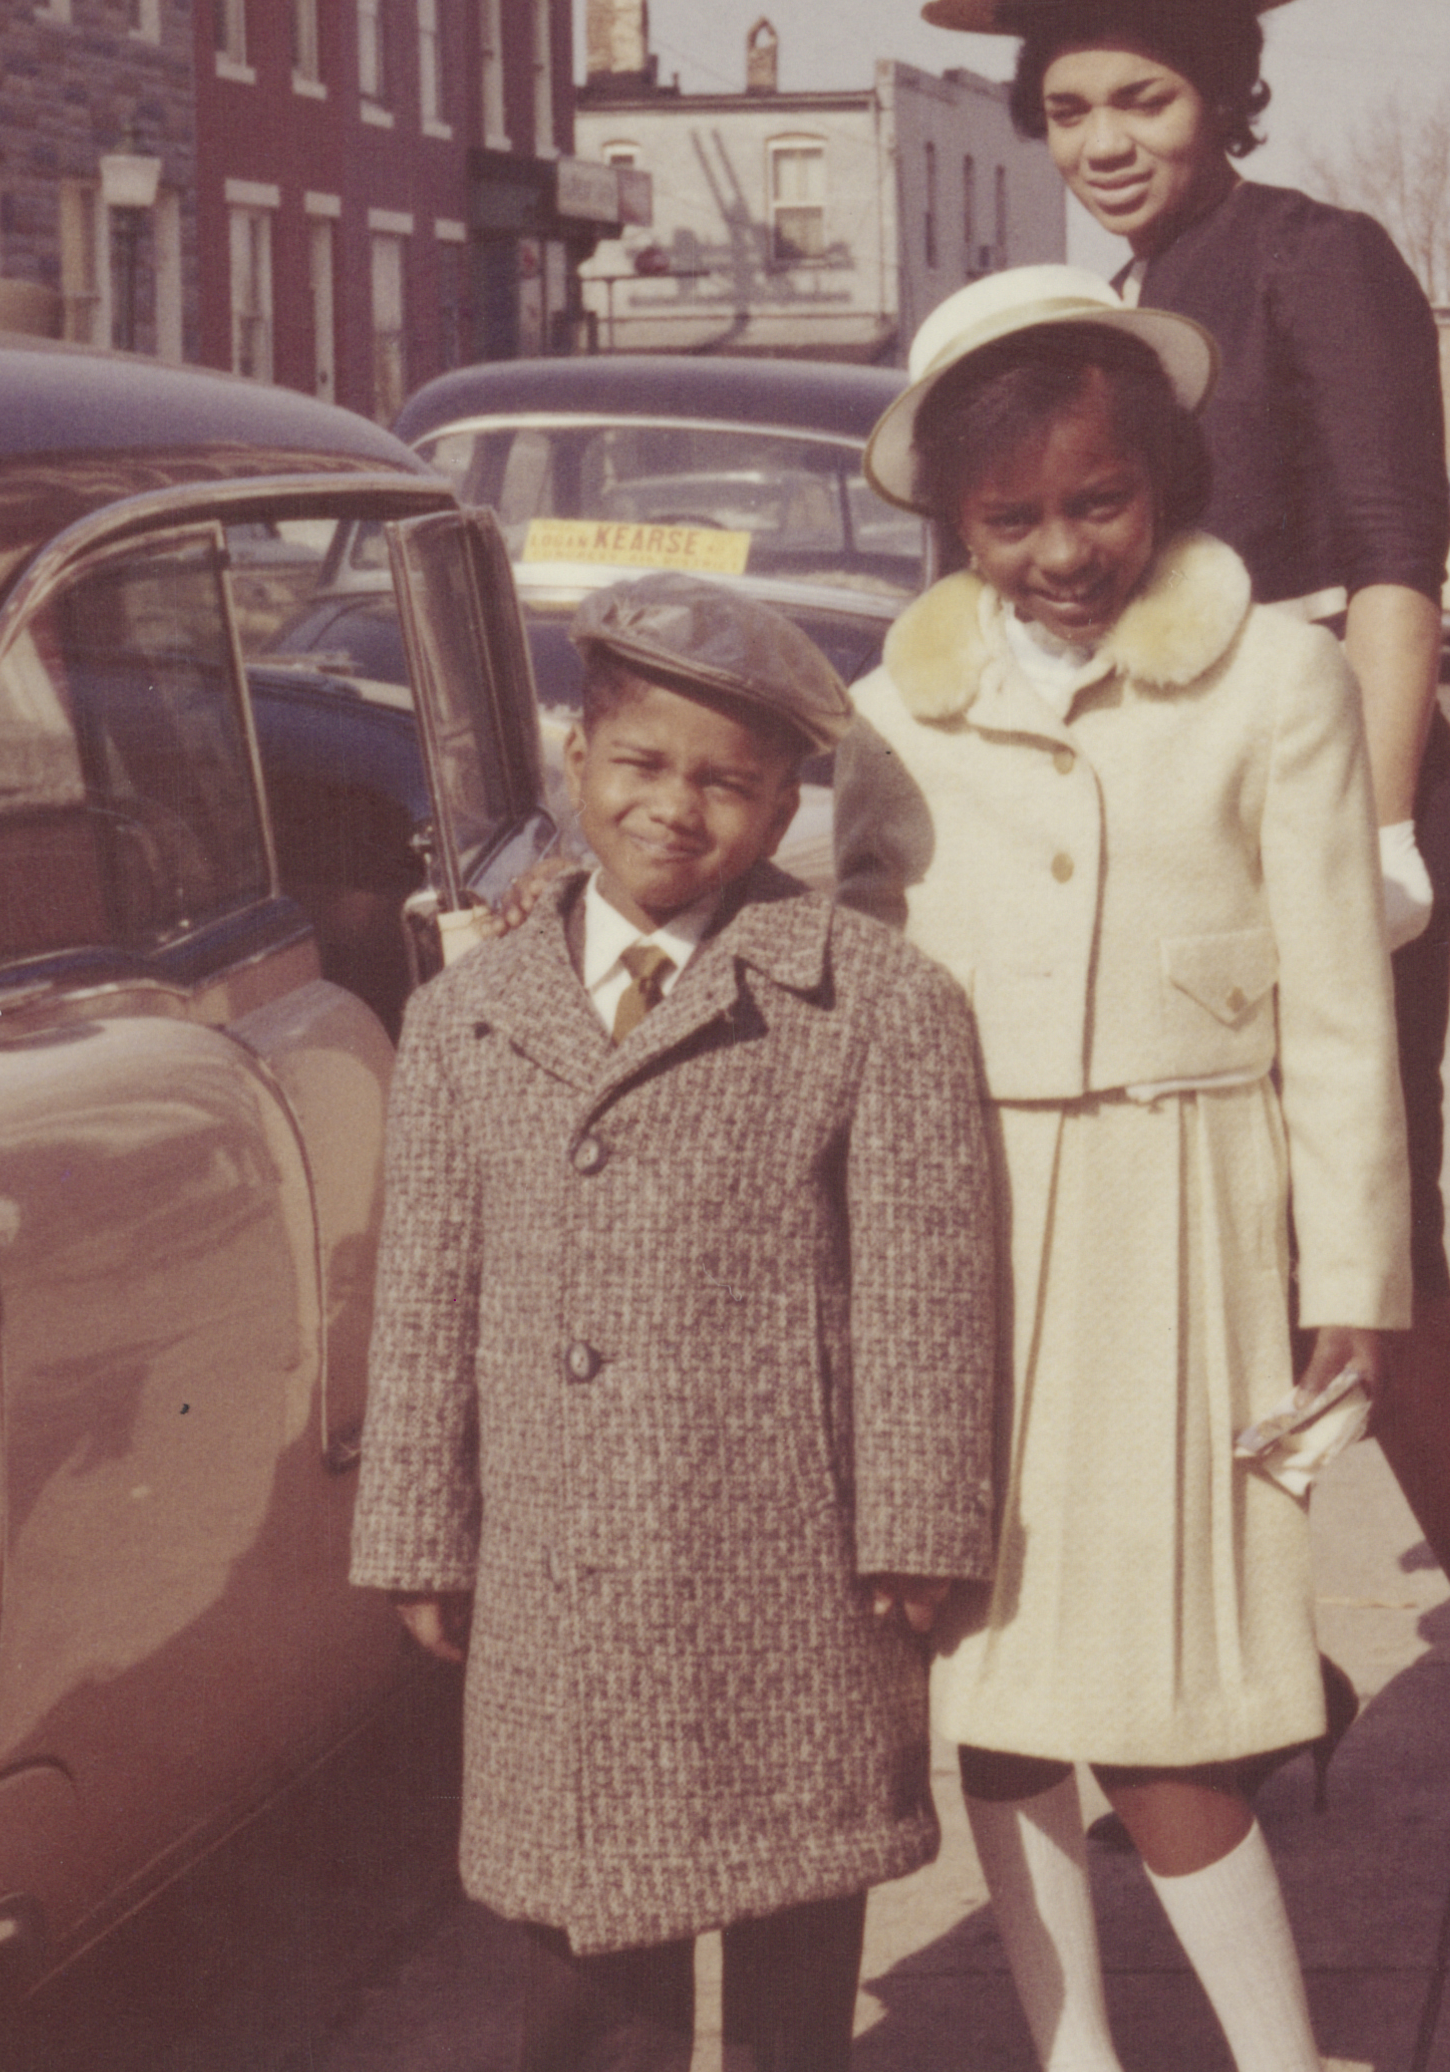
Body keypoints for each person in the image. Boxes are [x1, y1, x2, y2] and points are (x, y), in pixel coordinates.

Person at [921, 0, 1450, 1921]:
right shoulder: (1101, 303)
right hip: (1153, 821)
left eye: (1142, 97)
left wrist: (1380, 837)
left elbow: (1395, 572)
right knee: (1187, 1257)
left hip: (1325, 800)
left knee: (1364, 1268)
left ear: (1227, 93)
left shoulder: (1320, 260)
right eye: (1067, 109)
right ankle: (1254, 1675)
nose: (1106, 140)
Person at [835, 269, 1409, 2072]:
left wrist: (1351, 1283)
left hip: (1188, 1223)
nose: (1063, 553)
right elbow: (839, 972)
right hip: (970, 1239)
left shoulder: (1280, 678)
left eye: (1100, 503)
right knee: (997, 1698)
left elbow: (1337, 1005)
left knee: (1172, 1717)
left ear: (1161, 478)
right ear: (954, 521)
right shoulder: (893, 712)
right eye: (1011, 521)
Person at [352, 573, 1000, 2072]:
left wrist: (917, 1523)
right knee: (588, 1971)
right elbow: (429, 1291)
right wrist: (415, 1532)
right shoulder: (468, 1018)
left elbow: (922, 1286)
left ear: (785, 816)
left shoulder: (871, 1004)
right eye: (641, 767)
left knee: (793, 1941)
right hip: (557, 1578)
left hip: (784, 1571)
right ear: (576, 762)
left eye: (729, 784)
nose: (675, 811)